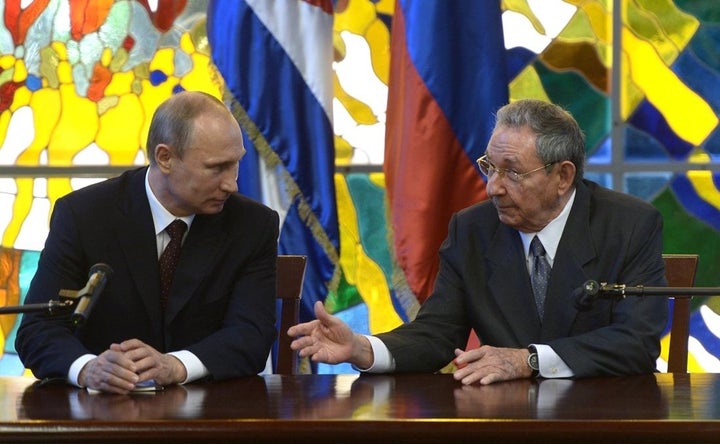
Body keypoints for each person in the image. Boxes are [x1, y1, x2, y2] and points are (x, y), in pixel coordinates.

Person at [289, 99, 668, 385]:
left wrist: (528, 360)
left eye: (513, 173)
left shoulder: (629, 224)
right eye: (490, 167)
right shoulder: (472, 229)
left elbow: (637, 341)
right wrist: (362, 348)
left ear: (563, 176)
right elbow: (438, 333)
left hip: (603, 415)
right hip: (507, 419)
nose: (493, 188)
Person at [15, 90, 279, 394]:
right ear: (165, 157)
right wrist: (88, 369)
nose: (231, 183)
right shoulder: (84, 216)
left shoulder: (252, 224)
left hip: (208, 411)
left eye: (236, 164)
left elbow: (252, 334)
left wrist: (176, 365)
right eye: (216, 167)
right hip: (102, 415)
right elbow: (38, 330)